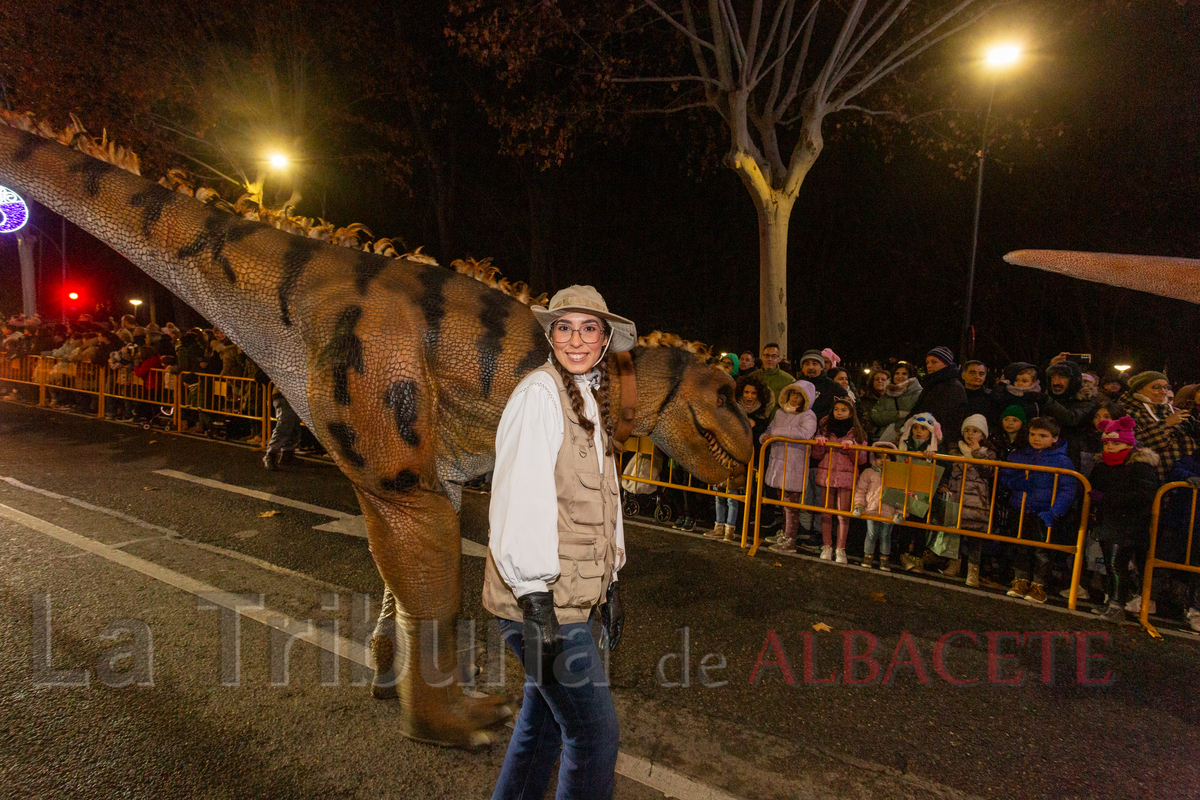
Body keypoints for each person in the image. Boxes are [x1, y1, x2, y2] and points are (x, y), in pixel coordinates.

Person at [482, 285, 631, 799]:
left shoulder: (591, 396)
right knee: (593, 736)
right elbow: (519, 500)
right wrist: (536, 600)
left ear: (605, 339)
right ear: (550, 334)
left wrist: (609, 584)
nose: (576, 338)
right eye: (564, 327)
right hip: (542, 602)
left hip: (570, 598)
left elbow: (603, 501)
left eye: (589, 328)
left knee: (543, 725)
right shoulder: (539, 395)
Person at [1086, 416, 1160, 624]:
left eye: (1116, 443)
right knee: (1111, 564)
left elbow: (1143, 495)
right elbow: (1093, 486)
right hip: (1108, 521)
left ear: (1129, 443)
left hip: (1129, 523)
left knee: (1117, 564)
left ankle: (1117, 605)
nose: (1110, 447)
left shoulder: (1141, 466)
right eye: (1107, 443)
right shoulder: (1102, 464)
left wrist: (1106, 499)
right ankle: (1113, 602)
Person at [1000, 417, 1078, 604]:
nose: (1036, 439)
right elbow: (1004, 475)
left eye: (1042, 435)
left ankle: (1038, 585)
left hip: (1044, 511)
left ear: (1055, 438)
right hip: (1020, 507)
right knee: (1020, 545)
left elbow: (1067, 489)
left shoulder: (1062, 460)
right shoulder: (1019, 454)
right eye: (1032, 434)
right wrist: (1014, 483)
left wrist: (1055, 511)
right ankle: (1020, 580)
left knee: (1042, 551)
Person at [705, 373, 771, 543]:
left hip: (744, 461)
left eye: (754, 393)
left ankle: (730, 529)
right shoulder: (731, 410)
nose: (749, 396)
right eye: (747, 392)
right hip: (724, 457)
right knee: (719, 493)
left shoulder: (761, 416)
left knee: (733, 496)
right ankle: (718, 526)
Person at [938, 414, 996, 586]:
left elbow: (988, 472)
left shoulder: (988, 453)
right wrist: (944, 484)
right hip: (956, 496)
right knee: (954, 534)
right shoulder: (953, 449)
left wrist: (977, 452)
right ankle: (954, 564)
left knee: (974, 538)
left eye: (975, 431)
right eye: (967, 430)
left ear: (983, 435)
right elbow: (947, 470)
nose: (970, 434)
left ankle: (973, 571)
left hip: (976, 501)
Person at [761, 380, 817, 554]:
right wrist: (764, 437)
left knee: (791, 506)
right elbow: (771, 428)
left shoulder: (808, 415)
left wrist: (776, 433)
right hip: (778, 461)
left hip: (794, 464)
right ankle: (784, 533)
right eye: (793, 393)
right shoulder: (780, 412)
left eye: (799, 395)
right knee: (782, 502)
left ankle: (790, 539)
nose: (795, 398)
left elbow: (805, 433)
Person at [811, 397, 868, 562]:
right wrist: (819, 444)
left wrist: (853, 447)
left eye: (843, 410)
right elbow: (816, 455)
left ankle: (840, 548)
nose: (839, 413)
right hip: (826, 476)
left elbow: (862, 459)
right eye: (836, 410)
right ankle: (827, 545)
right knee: (826, 513)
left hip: (846, 477)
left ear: (851, 412)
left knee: (843, 515)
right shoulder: (825, 429)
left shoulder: (858, 432)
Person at [1120, 370, 1194, 481]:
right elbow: (1139, 444)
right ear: (1139, 388)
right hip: (1154, 475)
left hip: (1185, 474)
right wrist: (1166, 424)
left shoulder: (1174, 411)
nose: (1163, 391)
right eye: (1156, 387)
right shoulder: (1129, 412)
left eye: (1165, 387)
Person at [895, 412, 942, 572]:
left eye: (923, 428)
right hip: (905, 487)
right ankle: (903, 553)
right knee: (904, 522)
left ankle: (917, 555)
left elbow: (942, 466)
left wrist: (933, 457)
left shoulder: (934, 447)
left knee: (919, 524)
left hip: (923, 492)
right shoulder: (904, 443)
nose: (918, 431)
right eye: (915, 427)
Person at [909, 346, 969, 453]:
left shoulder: (953, 387)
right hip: (924, 437)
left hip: (937, 444)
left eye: (934, 362)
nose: (929, 366)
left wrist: (934, 440)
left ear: (946, 364)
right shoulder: (932, 384)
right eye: (927, 362)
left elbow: (945, 418)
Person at [1042, 356, 1098, 467]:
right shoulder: (1048, 397)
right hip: (1048, 452)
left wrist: (1047, 401)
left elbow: (1071, 418)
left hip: (1075, 455)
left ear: (1074, 380)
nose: (1056, 382)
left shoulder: (1086, 399)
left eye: (1062, 377)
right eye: (1053, 377)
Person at [853, 441, 898, 570]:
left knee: (885, 535)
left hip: (889, 511)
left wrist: (899, 512)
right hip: (871, 510)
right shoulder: (868, 472)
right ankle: (868, 556)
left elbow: (901, 494)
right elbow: (861, 490)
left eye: (887, 457)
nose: (882, 461)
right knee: (871, 533)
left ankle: (884, 559)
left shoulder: (896, 474)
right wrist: (859, 505)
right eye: (879, 457)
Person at [870, 362, 921, 443]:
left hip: (909, 439)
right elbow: (876, 416)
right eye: (897, 373)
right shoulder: (887, 394)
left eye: (904, 373)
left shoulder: (918, 394)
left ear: (910, 376)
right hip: (886, 437)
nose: (900, 376)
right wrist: (897, 414)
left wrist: (886, 414)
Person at [796, 349, 848, 421]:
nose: (811, 367)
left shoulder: (834, 387)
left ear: (821, 367)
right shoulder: (796, 387)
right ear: (802, 368)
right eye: (806, 364)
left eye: (815, 364)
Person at [747, 343, 793, 419]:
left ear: (779, 359)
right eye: (767, 355)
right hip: (754, 419)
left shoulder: (788, 380)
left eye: (774, 356)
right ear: (762, 357)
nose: (770, 359)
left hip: (778, 421)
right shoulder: (752, 377)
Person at [857, 368, 891, 441]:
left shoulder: (893, 400)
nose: (880, 381)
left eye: (883, 379)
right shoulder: (864, 400)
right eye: (877, 379)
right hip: (868, 437)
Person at [961, 360, 995, 425]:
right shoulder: (955, 396)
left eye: (981, 374)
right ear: (963, 375)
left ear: (985, 377)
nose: (977, 377)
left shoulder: (991, 398)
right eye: (972, 373)